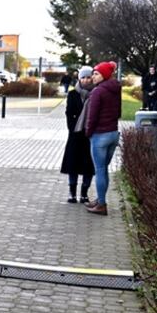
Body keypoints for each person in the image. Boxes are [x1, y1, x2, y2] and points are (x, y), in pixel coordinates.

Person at [84, 61, 121, 216]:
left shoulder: (97, 92)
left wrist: (88, 132)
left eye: (97, 73)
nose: (93, 76)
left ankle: (102, 204)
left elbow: (91, 117)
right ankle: (100, 199)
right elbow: (119, 112)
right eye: (93, 73)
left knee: (99, 170)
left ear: (104, 75)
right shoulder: (116, 89)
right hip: (113, 134)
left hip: (100, 135)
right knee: (103, 169)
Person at [60, 66, 95, 204]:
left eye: (88, 77)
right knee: (72, 164)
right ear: (79, 78)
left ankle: (84, 193)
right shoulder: (73, 94)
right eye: (83, 77)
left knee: (89, 165)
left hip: (90, 134)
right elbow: (69, 113)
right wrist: (73, 128)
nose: (86, 80)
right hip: (75, 133)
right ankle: (72, 192)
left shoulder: (96, 93)